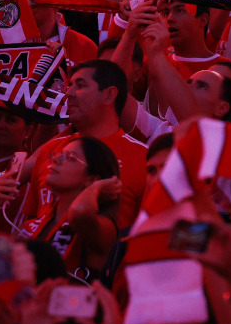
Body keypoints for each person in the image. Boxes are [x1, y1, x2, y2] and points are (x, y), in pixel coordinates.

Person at [18, 60, 147, 230]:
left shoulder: (144, 159)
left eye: (80, 85)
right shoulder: (50, 151)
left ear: (109, 95)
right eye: (69, 85)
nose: (68, 93)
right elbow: (32, 223)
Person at [0, 137, 119, 283]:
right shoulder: (30, 226)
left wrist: (96, 188)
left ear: (91, 179)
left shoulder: (103, 226)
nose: (56, 159)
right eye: (59, 154)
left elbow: (79, 212)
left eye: (70, 158)